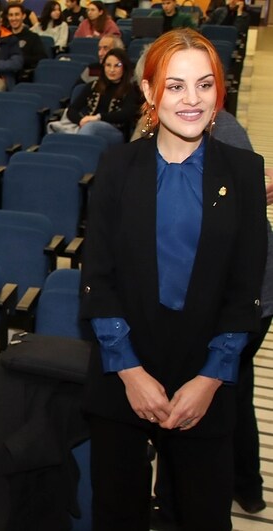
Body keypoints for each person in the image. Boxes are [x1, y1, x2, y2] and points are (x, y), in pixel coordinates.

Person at [80, 28, 267, 531]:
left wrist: (209, 380)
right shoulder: (116, 166)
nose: (192, 100)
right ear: (148, 92)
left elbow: (244, 290)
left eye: (205, 86)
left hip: (207, 378)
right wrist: (130, 372)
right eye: (176, 85)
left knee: (201, 515)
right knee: (116, 513)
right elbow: (98, 279)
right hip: (124, 373)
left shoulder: (246, 172)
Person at [66, 48, 139, 144]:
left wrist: (98, 117)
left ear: (124, 68)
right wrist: (81, 121)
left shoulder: (131, 89)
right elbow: (72, 109)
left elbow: (125, 114)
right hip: (88, 126)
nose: (112, 70)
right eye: (108, 65)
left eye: (117, 65)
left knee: (91, 127)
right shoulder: (93, 86)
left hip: (115, 131)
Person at [3, 2, 47, 73]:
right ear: (7, 17)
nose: (14, 18)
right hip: (4, 72)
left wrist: (20, 59)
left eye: (17, 14)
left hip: (23, 74)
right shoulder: (3, 36)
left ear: (23, 16)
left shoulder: (33, 37)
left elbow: (41, 58)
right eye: (11, 15)